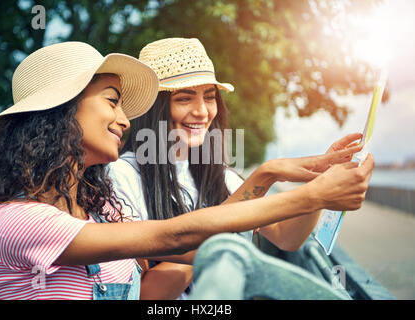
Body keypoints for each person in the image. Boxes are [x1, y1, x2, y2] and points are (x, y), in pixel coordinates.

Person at [0, 41, 373, 301]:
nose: (125, 120)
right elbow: (174, 234)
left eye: (209, 97)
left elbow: (201, 246)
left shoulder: (102, 207)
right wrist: (311, 193)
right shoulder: (22, 221)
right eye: (112, 101)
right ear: (60, 112)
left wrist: (288, 178)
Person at [109, 38, 368, 299]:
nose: (202, 111)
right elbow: (145, 295)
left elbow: (287, 239)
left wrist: (320, 181)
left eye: (210, 98)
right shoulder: (121, 176)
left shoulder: (218, 175)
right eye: (184, 98)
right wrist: (242, 212)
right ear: (154, 108)